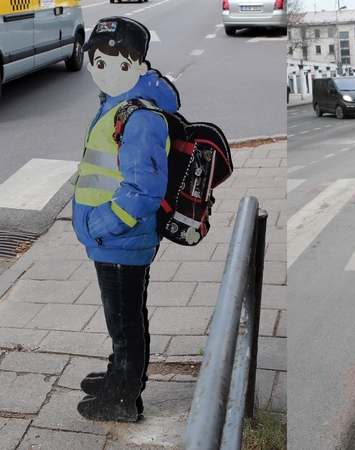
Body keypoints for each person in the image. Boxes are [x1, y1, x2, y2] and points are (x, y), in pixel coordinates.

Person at [72, 16, 181, 422]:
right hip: (112, 241)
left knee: (125, 322)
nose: (106, 73)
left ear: (137, 65)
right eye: (98, 63)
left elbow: (144, 191)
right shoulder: (116, 104)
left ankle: (122, 398)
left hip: (120, 239)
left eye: (119, 64)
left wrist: (102, 224)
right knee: (122, 316)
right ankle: (119, 373)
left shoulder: (139, 116)